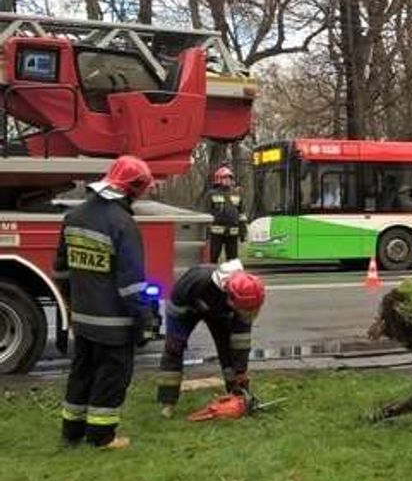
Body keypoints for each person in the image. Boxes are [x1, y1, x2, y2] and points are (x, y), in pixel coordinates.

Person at [53, 155, 155, 450]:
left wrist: (73, 300)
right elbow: (131, 284)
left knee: (81, 373)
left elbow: (60, 269)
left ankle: (71, 432)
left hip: (83, 318)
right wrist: (144, 320)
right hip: (114, 322)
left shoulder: (74, 217)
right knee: (111, 377)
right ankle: (101, 437)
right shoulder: (123, 223)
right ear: (133, 188)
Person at [155, 260, 266, 417]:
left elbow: (240, 340)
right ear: (230, 297)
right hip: (185, 307)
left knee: (229, 350)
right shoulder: (197, 283)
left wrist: (240, 371)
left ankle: (238, 395)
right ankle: (167, 402)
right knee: (174, 348)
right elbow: (176, 310)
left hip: (219, 311)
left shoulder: (246, 295)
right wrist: (176, 336)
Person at [203, 165, 246, 263]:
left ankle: (231, 273)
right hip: (216, 233)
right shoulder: (211, 194)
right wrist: (206, 233)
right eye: (225, 178)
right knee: (213, 257)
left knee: (233, 260)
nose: (228, 180)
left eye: (229, 178)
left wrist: (243, 232)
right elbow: (206, 214)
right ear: (218, 179)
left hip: (233, 232)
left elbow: (241, 215)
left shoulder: (236, 194)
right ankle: (211, 272)